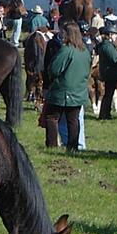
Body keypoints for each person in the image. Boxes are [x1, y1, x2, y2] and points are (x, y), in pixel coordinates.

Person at [43, 22, 91, 151]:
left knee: (52, 117)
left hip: (62, 91)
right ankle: (73, 147)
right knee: (73, 120)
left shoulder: (66, 50)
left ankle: (52, 145)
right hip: (79, 90)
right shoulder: (85, 51)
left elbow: (54, 69)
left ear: (68, 34)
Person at [96, 23, 117, 120]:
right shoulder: (108, 46)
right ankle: (104, 114)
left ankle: (105, 113)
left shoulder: (105, 45)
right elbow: (115, 60)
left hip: (108, 73)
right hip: (111, 73)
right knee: (108, 94)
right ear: (110, 35)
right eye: (115, 34)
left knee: (108, 94)